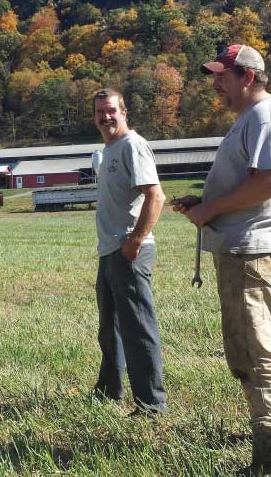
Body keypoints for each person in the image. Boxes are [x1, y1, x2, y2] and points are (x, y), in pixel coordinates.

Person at [173, 45, 271, 475]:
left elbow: (269, 182)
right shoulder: (251, 119)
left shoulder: (264, 117)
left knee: (259, 347)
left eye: (221, 76)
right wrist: (205, 201)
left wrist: (209, 211)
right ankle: (270, 429)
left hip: (250, 249)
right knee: (246, 347)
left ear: (247, 76)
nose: (215, 84)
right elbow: (249, 182)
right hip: (239, 247)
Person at [90, 88, 168, 416]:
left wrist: (135, 240)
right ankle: (109, 391)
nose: (106, 117)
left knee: (137, 328)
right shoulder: (105, 152)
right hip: (109, 250)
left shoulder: (132, 146)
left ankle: (151, 404)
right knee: (109, 328)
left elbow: (156, 196)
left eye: (111, 111)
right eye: (99, 112)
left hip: (129, 250)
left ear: (124, 113)